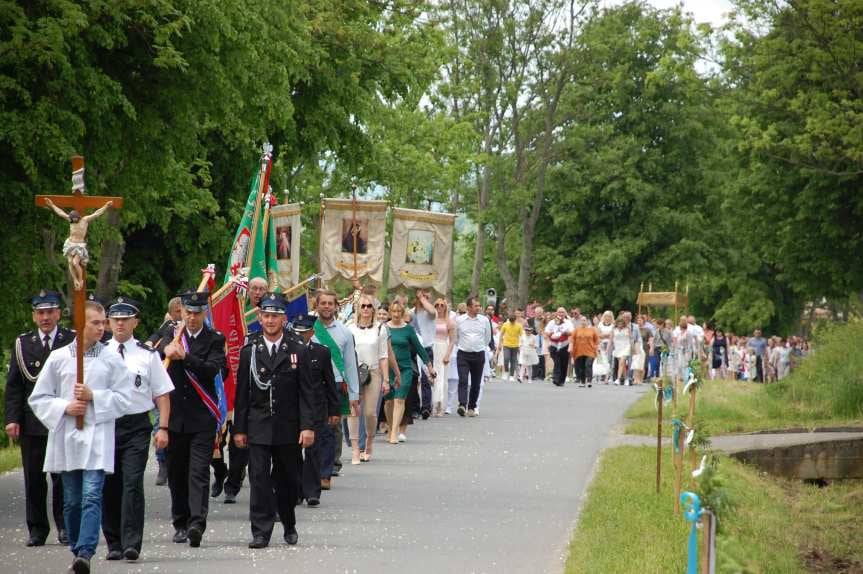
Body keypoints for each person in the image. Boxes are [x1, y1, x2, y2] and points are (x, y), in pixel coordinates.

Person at [28, 300, 131, 574]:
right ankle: (76, 548)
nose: (102, 327)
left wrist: (94, 396)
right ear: (80, 325)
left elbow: (125, 397)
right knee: (72, 500)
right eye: (96, 323)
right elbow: (38, 397)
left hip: (97, 436)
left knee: (91, 496)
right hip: (68, 438)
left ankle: (86, 551)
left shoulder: (110, 358)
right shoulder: (60, 357)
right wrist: (64, 407)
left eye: (103, 322)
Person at [233, 294, 316, 549]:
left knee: (288, 480)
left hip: (287, 427)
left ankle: (289, 523)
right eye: (266, 315)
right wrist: (239, 428)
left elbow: (307, 392)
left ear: (284, 318)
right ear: (259, 317)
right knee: (258, 478)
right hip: (258, 424)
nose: (270, 320)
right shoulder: (250, 351)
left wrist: (307, 426)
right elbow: (242, 393)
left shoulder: (297, 350)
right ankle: (261, 531)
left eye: (275, 316)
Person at [101, 297, 173, 562]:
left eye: (125, 319)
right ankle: (113, 542)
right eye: (115, 319)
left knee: (132, 483)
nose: (120, 324)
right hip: (107, 424)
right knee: (110, 484)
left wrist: (162, 427)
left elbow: (162, 395)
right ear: (108, 322)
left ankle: (132, 542)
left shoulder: (147, 354)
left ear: (135, 322)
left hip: (136, 426)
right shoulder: (97, 353)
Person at [158, 290, 227, 548]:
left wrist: (186, 357)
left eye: (197, 313)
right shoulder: (171, 334)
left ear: (204, 313)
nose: (193, 318)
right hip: (174, 418)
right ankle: (180, 522)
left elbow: (212, 369)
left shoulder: (214, 339)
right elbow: (152, 355)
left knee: (198, 472)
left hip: (201, 418)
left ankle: (197, 524)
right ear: (182, 312)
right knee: (177, 473)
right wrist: (166, 348)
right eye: (188, 313)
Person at [5, 290, 72, 547]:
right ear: (34, 316)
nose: (45, 317)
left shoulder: (70, 340)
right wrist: (12, 418)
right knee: (34, 478)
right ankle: (37, 529)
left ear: (58, 313)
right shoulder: (23, 344)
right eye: (40, 313)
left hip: (61, 419)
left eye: (50, 312)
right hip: (33, 421)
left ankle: (65, 526)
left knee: (62, 477)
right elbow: (15, 386)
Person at [211, 278, 268, 503]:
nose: (257, 292)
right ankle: (219, 470)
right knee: (214, 442)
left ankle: (233, 484)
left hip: (250, 391)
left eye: (261, 289)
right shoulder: (235, 311)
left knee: (239, 443)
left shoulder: (267, 317)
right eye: (253, 288)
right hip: (225, 387)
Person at [312, 289, 360, 486]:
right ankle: (312, 468)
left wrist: (354, 393)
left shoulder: (345, 333)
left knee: (331, 429)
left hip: (336, 385)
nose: (326, 306)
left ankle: (326, 473)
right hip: (311, 385)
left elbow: (350, 363)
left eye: (330, 303)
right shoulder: (308, 328)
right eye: (323, 303)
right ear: (316, 305)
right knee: (311, 428)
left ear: (336, 307)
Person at [293, 313, 339, 505]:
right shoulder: (288, 350)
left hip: (316, 407)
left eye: (304, 332)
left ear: (311, 333)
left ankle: (312, 491)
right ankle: (295, 490)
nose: (300, 335)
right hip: (293, 407)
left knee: (313, 450)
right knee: (293, 452)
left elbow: (329, 382)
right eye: (297, 332)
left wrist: (334, 410)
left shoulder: (321, 352)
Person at [347, 295, 390, 462]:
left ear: (374, 309)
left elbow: (383, 355)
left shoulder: (380, 328)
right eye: (363, 306)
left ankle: (370, 442)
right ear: (358, 308)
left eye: (369, 306)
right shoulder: (349, 328)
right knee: (353, 411)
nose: (366, 309)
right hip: (354, 373)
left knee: (370, 413)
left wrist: (386, 379)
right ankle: (356, 449)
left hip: (373, 372)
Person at [384, 302, 435, 440]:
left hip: (405, 369)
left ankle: (394, 432)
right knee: (389, 401)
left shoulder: (408, 330)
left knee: (400, 399)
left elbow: (419, 348)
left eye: (398, 311)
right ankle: (390, 427)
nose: (396, 314)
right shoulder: (383, 328)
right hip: (388, 369)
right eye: (393, 311)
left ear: (402, 313)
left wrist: (429, 366)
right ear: (390, 312)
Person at [42, 198, 113, 290]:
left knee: (75, 263)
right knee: (70, 262)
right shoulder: (70, 220)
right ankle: (75, 280)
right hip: (70, 243)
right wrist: (52, 205)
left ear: (78, 217)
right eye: (72, 219)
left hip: (79, 245)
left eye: (75, 219)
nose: (73, 220)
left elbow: (97, 213)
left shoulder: (85, 220)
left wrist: (106, 206)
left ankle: (80, 280)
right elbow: (60, 212)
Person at [455, 296, 492, 416]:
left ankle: (471, 407)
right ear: (469, 307)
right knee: (463, 379)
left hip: (479, 354)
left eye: (479, 305)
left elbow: (488, 338)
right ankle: (462, 404)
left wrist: (479, 346)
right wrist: (464, 345)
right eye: (476, 306)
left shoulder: (484, 320)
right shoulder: (460, 320)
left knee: (476, 383)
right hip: (463, 354)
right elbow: (456, 337)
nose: (479, 308)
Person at [409, 288, 438, 419]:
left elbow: (432, 310)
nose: (424, 298)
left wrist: (422, 298)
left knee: (426, 380)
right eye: (422, 295)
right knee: (414, 379)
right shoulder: (410, 313)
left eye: (427, 296)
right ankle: (414, 407)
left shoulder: (430, 313)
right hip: (413, 350)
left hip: (426, 349)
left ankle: (426, 408)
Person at [430, 298, 456, 415]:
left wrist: (447, 355)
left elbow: (452, 340)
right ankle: (429, 403)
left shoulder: (449, 321)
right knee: (430, 377)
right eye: (437, 305)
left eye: (442, 305)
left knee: (441, 378)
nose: (439, 307)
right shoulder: (430, 320)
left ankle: (439, 405)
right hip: (431, 348)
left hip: (443, 348)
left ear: (445, 307)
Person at [544, 308, 573, 387]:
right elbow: (546, 332)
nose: (561, 313)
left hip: (564, 344)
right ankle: (556, 378)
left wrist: (565, 332)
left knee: (564, 363)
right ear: (557, 313)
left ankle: (561, 380)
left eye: (563, 312)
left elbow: (572, 332)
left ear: (565, 313)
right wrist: (550, 334)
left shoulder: (568, 322)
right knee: (557, 362)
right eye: (559, 312)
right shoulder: (552, 322)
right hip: (553, 345)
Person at [570, 317, 598, 388]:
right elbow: (572, 339)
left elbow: (596, 340)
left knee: (588, 365)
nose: (583, 322)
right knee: (581, 367)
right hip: (579, 351)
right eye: (582, 320)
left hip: (590, 351)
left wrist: (596, 348)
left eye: (584, 320)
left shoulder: (592, 330)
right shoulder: (576, 330)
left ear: (587, 322)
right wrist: (571, 347)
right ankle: (582, 381)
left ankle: (589, 381)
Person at [495, 314, 523, 382]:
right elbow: (501, 334)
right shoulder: (505, 324)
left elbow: (522, 335)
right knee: (506, 359)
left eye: (513, 321)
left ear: (515, 320)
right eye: (511, 321)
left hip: (515, 345)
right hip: (506, 344)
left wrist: (521, 345)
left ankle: (511, 375)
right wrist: (499, 344)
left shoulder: (519, 325)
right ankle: (506, 372)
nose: (512, 322)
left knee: (513, 361)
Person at [611, 317, 632, 385]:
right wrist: (607, 349)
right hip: (617, 348)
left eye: (621, 323)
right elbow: (611, 340)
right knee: (622, 364)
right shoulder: (614, 330)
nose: (620, 325)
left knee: (622, 362)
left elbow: (631, 338)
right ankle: (626, 379)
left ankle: (618, 379)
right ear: (616, 323)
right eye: (618, 323)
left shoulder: (627, 329)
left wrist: (633, 348)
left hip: (626, 347)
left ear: (623, 324)